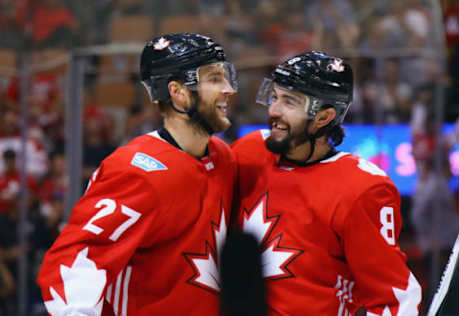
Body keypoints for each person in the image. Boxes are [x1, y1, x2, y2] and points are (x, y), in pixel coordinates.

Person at [37, 33, 238, 315]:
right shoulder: (136, 170)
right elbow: (77, 257)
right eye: (215, 79)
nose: (228, 89)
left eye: (227, 77)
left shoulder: (222, 158)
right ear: (178, 92)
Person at [231, 51, 422, 315]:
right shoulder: (249, 151)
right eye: (274, 96)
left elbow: (394, 297)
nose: (274, 110)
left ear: (323, 117)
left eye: (289, 102)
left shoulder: (362, 188)